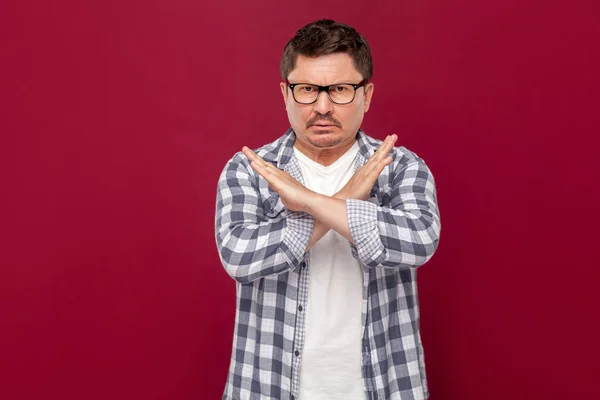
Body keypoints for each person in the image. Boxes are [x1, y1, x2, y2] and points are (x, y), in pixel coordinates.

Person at [215, 19, 441, 400]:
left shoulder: (399, 167)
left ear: (366, 95)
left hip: (385, 387)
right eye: (306, 89)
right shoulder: (252, 169)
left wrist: (310, 201)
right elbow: (239, 256)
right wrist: (349, 199)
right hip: (266, 387)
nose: (322, 106)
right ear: (286, 94)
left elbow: (419, 241)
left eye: (339, 89)